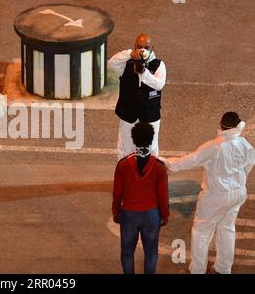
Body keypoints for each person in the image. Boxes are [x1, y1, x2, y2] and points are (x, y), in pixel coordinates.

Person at [160, 112, 255, 274]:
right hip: (238, 193)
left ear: (221, 125)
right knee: (227, 229)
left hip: (216, 196)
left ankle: (197, 270)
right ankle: (223, 269)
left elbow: (190, 160)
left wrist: (167, 163)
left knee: (201, 231)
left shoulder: (214, 146)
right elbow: (248, 166)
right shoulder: (245, 144)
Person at [112, 122, 169, 274]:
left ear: (133, 139)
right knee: (151, 252)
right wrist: (165, 215)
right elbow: (163, 195)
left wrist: (116, 212)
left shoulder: (123, 165)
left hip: (128, 215)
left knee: (127, 252)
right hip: (151, 215)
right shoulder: (159, 167)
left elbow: (117, 193)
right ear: (151, 140)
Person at [108, 33, 167, 160]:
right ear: (134, 47)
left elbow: (159, 84)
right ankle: (124, 174)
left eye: (146, 47)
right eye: (139, 47)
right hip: (128, 114)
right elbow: (111, 64)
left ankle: (151, 175)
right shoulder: (126, 62)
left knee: (152, 148)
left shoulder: (158, 65)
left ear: (152, 48)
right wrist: (129, 54)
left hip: (150, 115)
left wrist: (143, 73)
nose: (143, 50)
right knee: (126, 148)